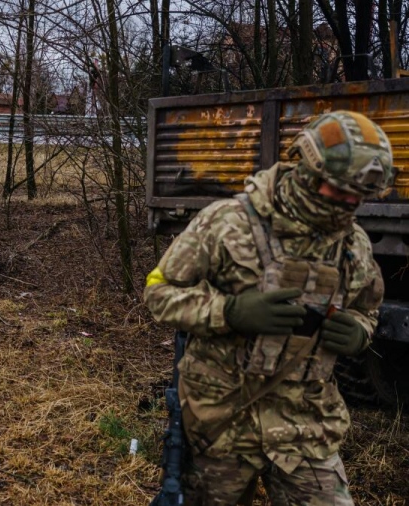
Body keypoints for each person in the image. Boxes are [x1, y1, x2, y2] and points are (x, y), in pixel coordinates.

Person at [144, 111, 392, 505]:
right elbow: (159, 292)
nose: (349, 202)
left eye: (359, 196)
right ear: (307, 169)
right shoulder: (227, 223)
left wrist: (360, 331)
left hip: (304, 424)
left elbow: (367, 308)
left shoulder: (353, 244)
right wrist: (229, 311)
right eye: (340, 190)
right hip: (222, 421)